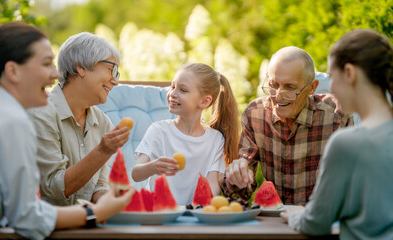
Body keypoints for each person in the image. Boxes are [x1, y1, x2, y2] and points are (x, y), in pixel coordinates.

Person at [0, 22, 134, 239]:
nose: (56, 74)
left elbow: (17, 210)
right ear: (13, 71)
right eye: (47, 64)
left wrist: (109, 203)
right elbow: (28, 218)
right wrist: (97, 212)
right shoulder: (13, 119)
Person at [280, 29, 393, 239]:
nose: (330, 87)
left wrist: (297, 214)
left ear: (350, 73)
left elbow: (315, 223)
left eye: (332, 77)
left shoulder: (347, 143)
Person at [220, 46, 353, 205]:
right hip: (277, 221)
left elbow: (357, 181)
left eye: (290, 87)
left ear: (312, 88)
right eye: (273, 84)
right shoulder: (254, 114)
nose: (278, 95)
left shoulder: (337, 116)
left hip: (322, 221)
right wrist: (239, 177)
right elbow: (238, 194)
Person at [27, 32, 130, 206]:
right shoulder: (42, 114)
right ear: (81, 67)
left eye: (116, 73)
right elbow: (52, 188)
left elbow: (98, 186)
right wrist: (102, 151)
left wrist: (118, 201)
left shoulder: (103, 123)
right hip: (47, 226)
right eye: (110, 69)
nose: (115, 81)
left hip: (86, 225)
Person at [131, 63, 240, 205]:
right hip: (159, 213)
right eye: (172, 86)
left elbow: (212, 185)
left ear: (204, 101)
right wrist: (153, 166)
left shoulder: (215, 139)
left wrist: (206, 207)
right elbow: (136, 174)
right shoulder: (158, 130)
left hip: (195, 216)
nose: (173, 94)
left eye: (183, 90)